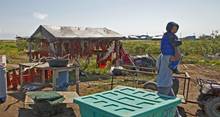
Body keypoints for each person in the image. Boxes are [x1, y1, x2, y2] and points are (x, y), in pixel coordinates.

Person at [156, 22, 182, 117]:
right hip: (164, 85)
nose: (175, 30)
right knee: (160, 107)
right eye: (173, 28)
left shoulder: (161, 55)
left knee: (172, 103)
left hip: (165, 83)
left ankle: (177, 116)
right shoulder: (168, 57)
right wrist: (176, 46)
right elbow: (178, 56)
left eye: (176, 29)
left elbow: (157, 68)